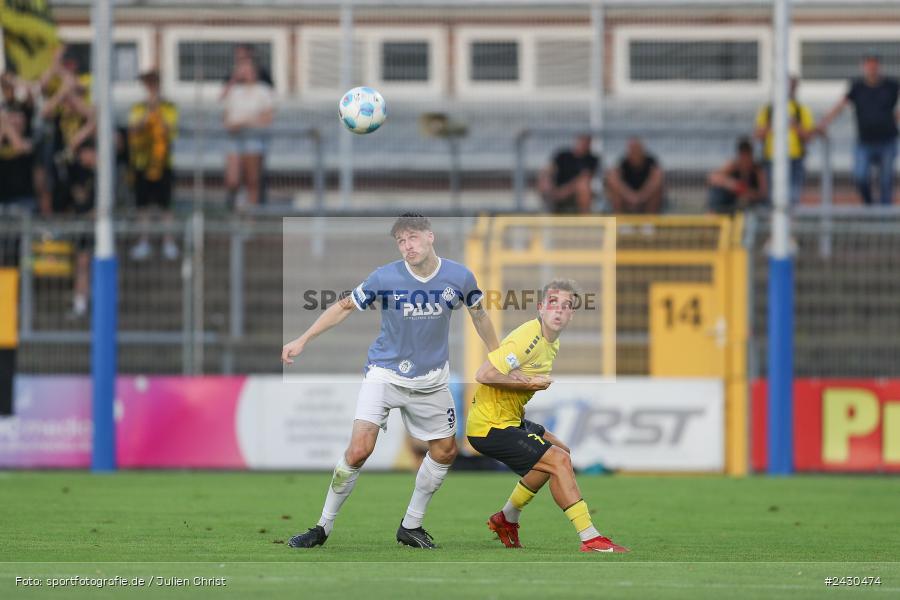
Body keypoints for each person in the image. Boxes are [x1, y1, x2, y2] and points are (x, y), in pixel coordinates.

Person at [281, 213, 500, 549]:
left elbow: (480, 316)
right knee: (358, 451)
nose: (406, 246)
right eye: (400, 241)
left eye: (411, 237)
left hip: (431, 381)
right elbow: (342, 307)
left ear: (430, 236)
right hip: (384, 374)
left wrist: (498, 358)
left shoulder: (459, 276)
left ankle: (411, 525)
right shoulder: (385, 277)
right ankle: (322, 527)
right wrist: (303, 339)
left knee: (445, 451)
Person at [466, 279, 629, 553]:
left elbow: (509, 377)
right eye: (553, 304)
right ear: (541, 307)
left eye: (566, 306)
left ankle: (507, 518)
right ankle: (590, 537)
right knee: (558, 460)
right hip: (489, 425)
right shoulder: (528, 337)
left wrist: (520, 389)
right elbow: (483, 375)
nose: (559, 311)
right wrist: (527, 384)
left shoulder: (551, 343)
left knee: (560, 451)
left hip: (510, 418)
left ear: (572, 314)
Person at [818, 53, 899, 205]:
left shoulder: (891, 85)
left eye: (874, 64)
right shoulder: (857, 87)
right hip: (864, 142)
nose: (872, 68)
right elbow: (841, 105)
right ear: (864, 67)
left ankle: (884, 218)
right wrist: (825, 122)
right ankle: (869, 208)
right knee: (860, 176)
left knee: (886, 181)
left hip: (887, 141)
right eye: (868, 64)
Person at [127, 70, 179, 261]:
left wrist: (157, 111)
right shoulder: (138, 107)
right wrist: (148, 113)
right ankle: (144, 241)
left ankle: (168, 241)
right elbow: (133, 129)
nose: (150, 88)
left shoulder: (169, 107)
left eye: (153, 83)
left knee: (166, 206)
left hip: (163, 162)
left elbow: (169, 130)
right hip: (142, 162)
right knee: (143, 205)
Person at [222, 55, 275, 211]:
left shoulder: (263, 91)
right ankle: (234, 211)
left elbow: (267, 118)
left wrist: (246, 123)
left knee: (253, 180)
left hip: (253, 140)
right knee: (233, 179)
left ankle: (252, 217)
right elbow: (226, 117)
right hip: (234, 139)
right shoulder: (233, 92)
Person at [754, 76, 815, 207]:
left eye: (791, 86)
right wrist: (773, 123)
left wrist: (794, 125)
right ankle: (774, 225)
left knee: (793, 197)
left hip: (795, 159)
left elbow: (808, 136)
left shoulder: (801, 110)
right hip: (772, 158)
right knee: (772, 197)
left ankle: (791, 225)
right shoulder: (768, 109)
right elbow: (758, 134)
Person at [538, 134, 599, 214]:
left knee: (583, 185)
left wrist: (561, 193)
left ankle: (585, 221)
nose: (584, 143)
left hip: (573, 193)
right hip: (557, 190)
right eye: (582, 140)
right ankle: (547, 212)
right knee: (544, 179)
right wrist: (546, 179)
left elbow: (584, 179)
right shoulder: (563, 155)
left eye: (587, 141)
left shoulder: (591, 159)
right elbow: (548, 169)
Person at [707, 137, 768, 215]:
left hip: (752, 205)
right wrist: (732, 184)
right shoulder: (733, 166)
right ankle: (714, 216)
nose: (745, 159)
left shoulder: (757, 170)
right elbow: (712, 177)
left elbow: (763, 193)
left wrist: (746, 192)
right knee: (716, 192)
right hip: (732, 201)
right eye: (743, 155)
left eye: (747, 155)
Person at [604, 137, 665, 214]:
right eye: (632, 149)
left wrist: (640, 196)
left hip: (646, 199)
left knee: (657, 190)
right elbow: (612, 178)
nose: (634, 151)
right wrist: (630, 196)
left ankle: (649, 222)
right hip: (627, 199)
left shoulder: (651, 162)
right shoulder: (623, 163)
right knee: (613, 187)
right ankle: (622, 222)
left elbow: (658, 178)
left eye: (636, 148)